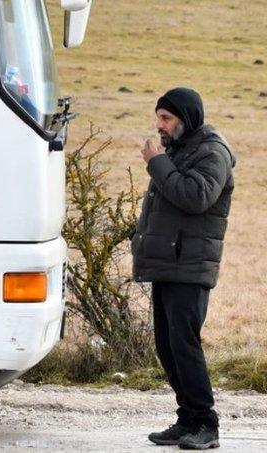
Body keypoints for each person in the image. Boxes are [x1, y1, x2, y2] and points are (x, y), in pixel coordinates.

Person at [134, 87, 234, 451]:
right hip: (170, 264)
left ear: (186, 118)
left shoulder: (212, 152)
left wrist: (157, 162)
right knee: (167, 345)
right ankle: (187, 419)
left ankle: (206, 424)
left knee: (185, 345)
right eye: (158, 117)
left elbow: (196, 197)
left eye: (166, 118)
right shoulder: (180, 148)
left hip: (190, 265)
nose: (159, 125)